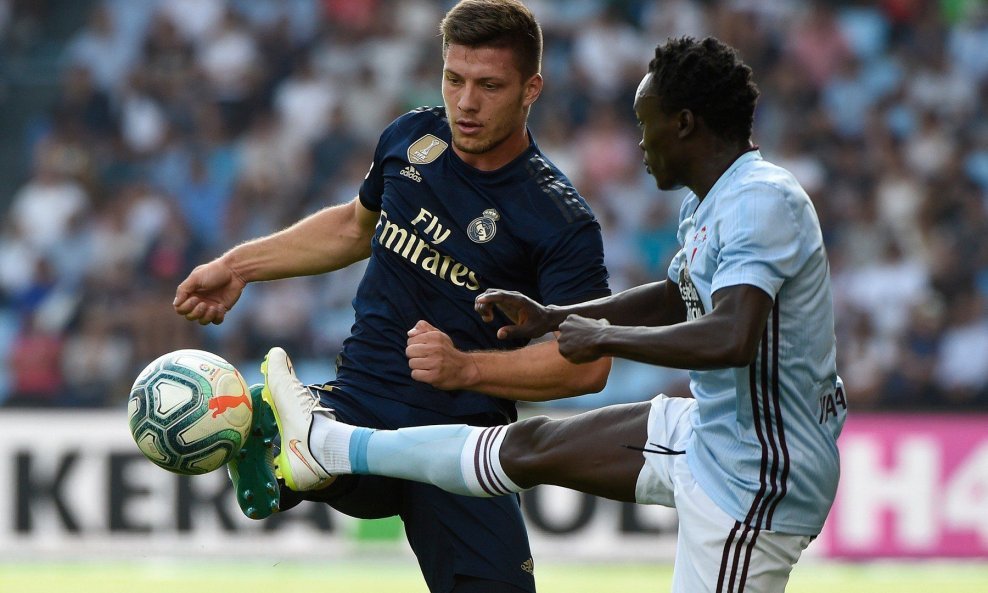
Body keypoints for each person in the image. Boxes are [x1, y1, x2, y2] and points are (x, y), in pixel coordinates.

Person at [258, 36, 847, 593]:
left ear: (685, 124)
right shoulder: (710, 202)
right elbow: (675, 295)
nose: (639, 144)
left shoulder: (759, 200)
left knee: (528, 448)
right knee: (528, 446)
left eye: (645, 124)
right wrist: (555, 316)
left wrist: (603, 338)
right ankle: (328, 444)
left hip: (757, 474)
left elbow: (733, 337)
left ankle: (328, 444)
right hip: (711, 429)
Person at [173, 2, 612, 593]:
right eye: (454, 79)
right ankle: (288, 440)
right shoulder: (411, 138)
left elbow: (587, 365)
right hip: (363, 404)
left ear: (531, 88)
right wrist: (237, 266)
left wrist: (467, 368)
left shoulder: (559, 219)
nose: (466, 102)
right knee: (323, 445)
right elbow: (354, 228)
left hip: (460, 439)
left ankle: (289, 442)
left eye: (489, 86)